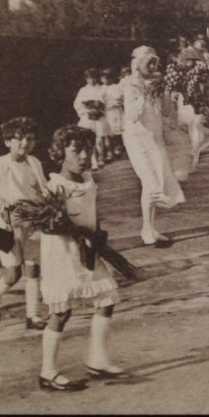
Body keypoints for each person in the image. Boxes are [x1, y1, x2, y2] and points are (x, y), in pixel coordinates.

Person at [37, 125, 123, 392]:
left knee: (106, 300)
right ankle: (48, 372)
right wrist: (74, 232)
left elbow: (92, 213)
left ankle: (97, 359)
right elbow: (47, 226)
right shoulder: (55, 186)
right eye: (76, 151)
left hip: (87, 250)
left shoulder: (88, 180)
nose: (84, 156)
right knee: (61, 312)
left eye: (88, 150)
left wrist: (97, 235)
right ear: (60, 153)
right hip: (63, 254)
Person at [0, 117, 48, 330]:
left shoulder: (34, 163)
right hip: (8, 225)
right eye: (19, 139)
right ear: (8, 141)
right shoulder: (0, 164)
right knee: (13, 273)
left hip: (32, 222)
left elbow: (42, 188)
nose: (25, 144)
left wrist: (48, 203)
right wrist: (2, 205)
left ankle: (33, 315)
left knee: (33, 267)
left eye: (29, 139)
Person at [121, 45, 185, 247]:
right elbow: (132, 116)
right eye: (147, 62)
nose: (151, 66)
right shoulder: (129, 84)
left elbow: (163, 113)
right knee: (150, 182)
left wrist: (170, 98)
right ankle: (146, 230)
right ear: (138, 64)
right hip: (136, 140)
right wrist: (145, 94)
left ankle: (149, 227)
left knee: (157, 181)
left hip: (155, 139)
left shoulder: (157, 82)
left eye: (154, 62)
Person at [73, 67, 107, 170]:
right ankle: (94, 162)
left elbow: (107, 102)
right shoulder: (83, 90)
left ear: (97, 78)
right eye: (89, 78)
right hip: (87, 118)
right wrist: (86, 111)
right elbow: (77, 104)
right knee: (89, 140)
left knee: (99, 140)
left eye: (94, 78)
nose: (91, 81)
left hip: (99, 117)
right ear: (86, 79)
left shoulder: (103, 89)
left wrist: (100, 110)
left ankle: (101, 157)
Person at [102, 67, 125, 161]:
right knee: (108, 132)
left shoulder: (116, 87)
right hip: (106, 112)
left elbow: (120, 99)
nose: (105, 80)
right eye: (103, 77)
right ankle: (109, 152)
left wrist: (115, 103)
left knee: (118, 130)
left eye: (108, 78)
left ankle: (119, 148)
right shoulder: (102, 88)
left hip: (115, 112)